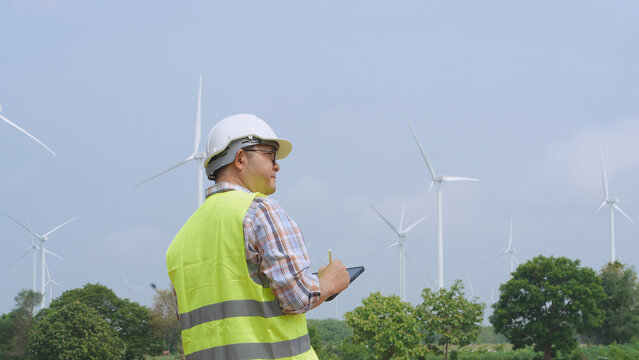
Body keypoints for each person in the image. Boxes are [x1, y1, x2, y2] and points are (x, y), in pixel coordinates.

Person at [166, 114, 350, 360]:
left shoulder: (180, 241)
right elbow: (298, 297)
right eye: (270, 154)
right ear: (240, 158)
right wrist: (330, 282)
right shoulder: (259, 211)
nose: (277, 165)